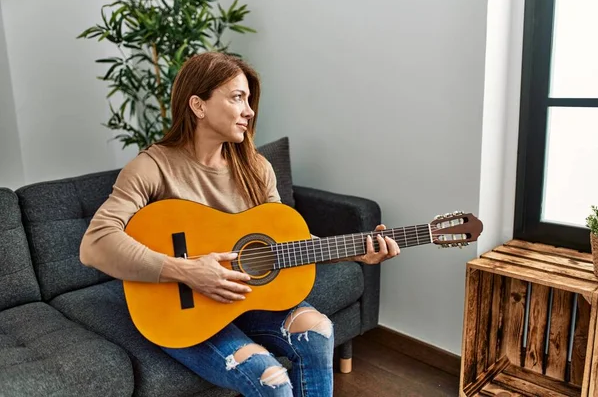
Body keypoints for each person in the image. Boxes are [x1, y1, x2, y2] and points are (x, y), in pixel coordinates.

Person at [80, 51, 400, 397]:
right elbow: (95, 244)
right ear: (198, 106)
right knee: (271, 380)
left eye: (249, 100)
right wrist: (186, 271)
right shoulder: (151, 167)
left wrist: (355, 252)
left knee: (318, 330)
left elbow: (287, 243)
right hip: (181, 312)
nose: (249, 110)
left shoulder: (256, 167)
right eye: (237, 98)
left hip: (246, 300)